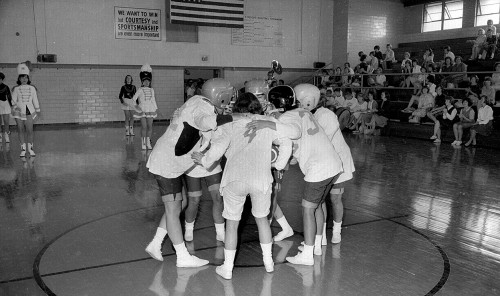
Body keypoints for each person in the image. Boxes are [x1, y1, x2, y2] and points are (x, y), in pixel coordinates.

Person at [192, 93, 292, 280]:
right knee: (262, 220)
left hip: (234, 178)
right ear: (257, 107)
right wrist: (277, 165)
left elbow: (218, 149)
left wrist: (204, 160)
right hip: (261, 178)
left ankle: (227, 268)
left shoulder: (231, 122)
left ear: (237, 107)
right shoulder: (268, 121)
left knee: (232, 224)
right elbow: (287, 141)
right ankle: (269, 263)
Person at [248, 85, 343, 265]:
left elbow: (294, 132)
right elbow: (300, 139)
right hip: (332, 164)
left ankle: (307, 256)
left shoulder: (287, 117)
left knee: (307, 209)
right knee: (317, 205)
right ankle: (315, 245)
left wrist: (268, 123)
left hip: (319, 167)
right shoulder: (304, 112)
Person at [144, 78, 234, 267]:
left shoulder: (195, 101)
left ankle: (155, 243)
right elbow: (204, 121)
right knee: (173, 209)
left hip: (170, 161)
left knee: (181, 202)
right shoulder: (204, 109)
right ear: (221, 97)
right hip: (167, 163)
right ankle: (182, 256)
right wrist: (231, 118)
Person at [293, 83, 354, 245]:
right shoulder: (305, 115)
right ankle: (321, 236)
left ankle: (337, 231)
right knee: (319, 201)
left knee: (335, 199)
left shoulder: (325, 114)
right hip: (323, 163)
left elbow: (320, 139)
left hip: (337, 160)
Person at [11, 63, 40, 157]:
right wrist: (16, 107)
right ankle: (23, 149)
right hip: (18, 111)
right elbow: (13, 101)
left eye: (26, 77)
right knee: (20, 130)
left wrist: (37, 109)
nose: (24, 79)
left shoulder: (32, 88)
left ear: (28, 78)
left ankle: (30, 149)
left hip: (29, 111)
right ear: (19, 79)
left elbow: (35, 100)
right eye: (22, 77)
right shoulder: (16, 89)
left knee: (30, 130)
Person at [132, 64, 158, 150]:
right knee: (144, 127)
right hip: (142, 109)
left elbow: (153, 100)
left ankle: (148, 142)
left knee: (150, 127)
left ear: (150, 82)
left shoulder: (152, 90)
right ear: (142, 82)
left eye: (148, 81)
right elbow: (133, 99)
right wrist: (136, 107)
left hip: (150, 109)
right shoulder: (140, 90)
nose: (146, 82)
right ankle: (143, 143)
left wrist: (155, 109)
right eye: (144, 81)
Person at [0, 72, 12, 144]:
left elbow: (9, 97)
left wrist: (12, 106)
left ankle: (6, 134)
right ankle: (0, 136)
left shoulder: (6, 87)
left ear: (2, 79)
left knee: (6, 121)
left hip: (5, 104)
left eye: (0, 79)